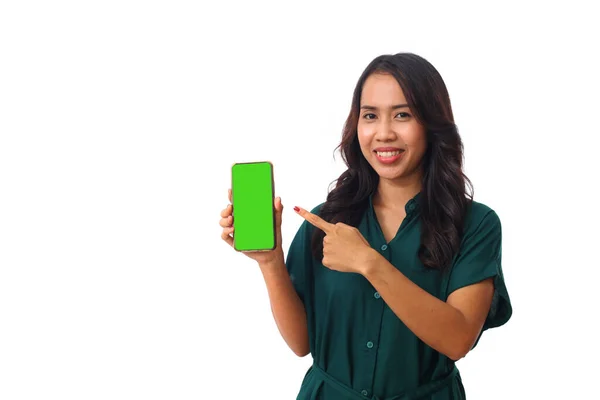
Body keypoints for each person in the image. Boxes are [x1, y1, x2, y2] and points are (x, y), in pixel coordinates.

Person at [219, 52, 512, 400]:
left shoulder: (476, 225)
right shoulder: (327, 219)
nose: (384, 133)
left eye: (403, 115)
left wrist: (368, 262)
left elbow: (458, 339)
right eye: (370, 116)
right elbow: (301, 343)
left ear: (432, 125)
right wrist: (270, 261)